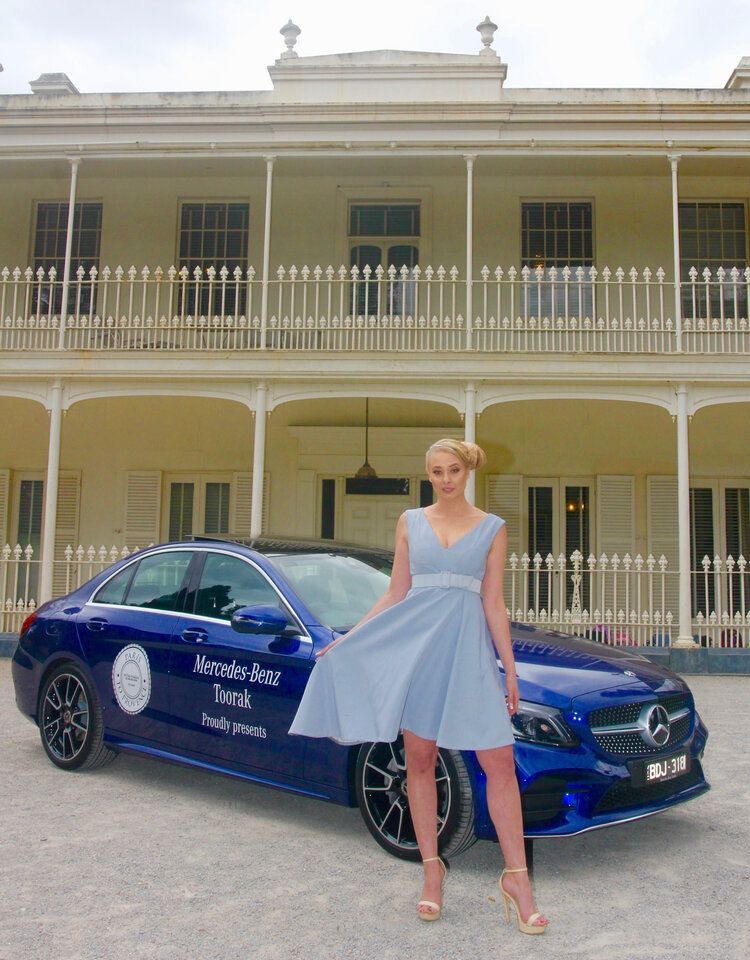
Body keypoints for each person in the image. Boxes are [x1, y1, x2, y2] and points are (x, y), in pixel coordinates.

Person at [288, 438, 549, 934]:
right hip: (417, 650)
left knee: (498, 761)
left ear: (466, 471)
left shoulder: (493, 528)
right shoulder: (410, 521)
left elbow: (494, 603)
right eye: (436, 471)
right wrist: (349, 639)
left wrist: (510, 671)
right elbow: (396, 592)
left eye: (453, 470)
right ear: (427, 474)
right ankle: (432, 870)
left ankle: (517, 879)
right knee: (421, 759)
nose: (445, 479)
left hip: (468, 653)